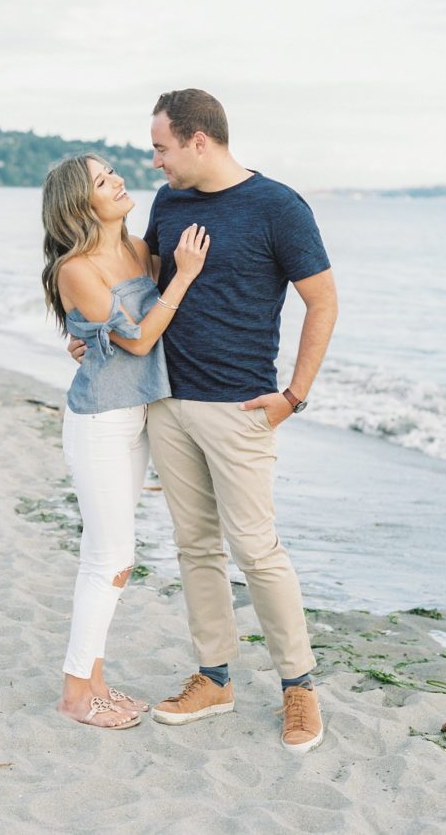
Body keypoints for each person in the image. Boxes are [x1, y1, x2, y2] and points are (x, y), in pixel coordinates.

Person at [70, 89, 337, 753]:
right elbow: (147, 281)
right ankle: (215, 675)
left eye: (161, 146)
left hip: (241, 407)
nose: (153, 160)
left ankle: (298, 685)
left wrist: (294, 394)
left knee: (257, 548)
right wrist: (94, 333)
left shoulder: (279, 206)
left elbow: (323, 302)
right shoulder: (171, 202)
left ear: (197, 139)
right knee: (195, 545)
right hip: (166, 399)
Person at [42, 154, 209, 730]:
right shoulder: (75, 266)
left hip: (138, 414)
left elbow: (140, 330)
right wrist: (183, 276)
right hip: (99, 422)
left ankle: (95, 683)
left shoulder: (139, 250)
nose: (116, 181)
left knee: (110, 556)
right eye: (101, 180)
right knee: (110, 558)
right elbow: (138, 342)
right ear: (79, 202)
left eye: (112, 172)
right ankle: (74, 693)